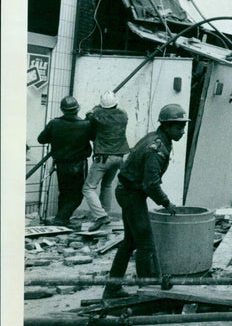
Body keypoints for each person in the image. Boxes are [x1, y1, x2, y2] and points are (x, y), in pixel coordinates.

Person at [103, 104, 188, 299]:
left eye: (183, 126)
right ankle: (147, 291)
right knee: (146, 244)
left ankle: (112, 287)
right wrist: (167, 203)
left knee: (130, 242)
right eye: (178, 127)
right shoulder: (155, 149)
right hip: (131, 194)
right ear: (166, 127)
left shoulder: (159, 139)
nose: (182, 131)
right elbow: (150, 184)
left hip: (130, 192)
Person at [37, 96, 93, 227]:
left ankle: (62, 219)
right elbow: (95, 137)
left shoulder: (54, 123)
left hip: (61, 164)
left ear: (62, 109)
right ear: (77, 109)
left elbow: (41, 139)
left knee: (64, 192)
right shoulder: (85, 125)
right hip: (78, 164)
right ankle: (61, 218)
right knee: (78, 195)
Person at [82, 91, 130, 231]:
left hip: (103, 157)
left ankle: (101, 216)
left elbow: (89, 117)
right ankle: (106, 214)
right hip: (119, 156)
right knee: (107, 185)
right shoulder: (123, 116)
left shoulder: (97, 117)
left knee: (88, 188)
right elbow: (116, 111)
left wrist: (95, 109)